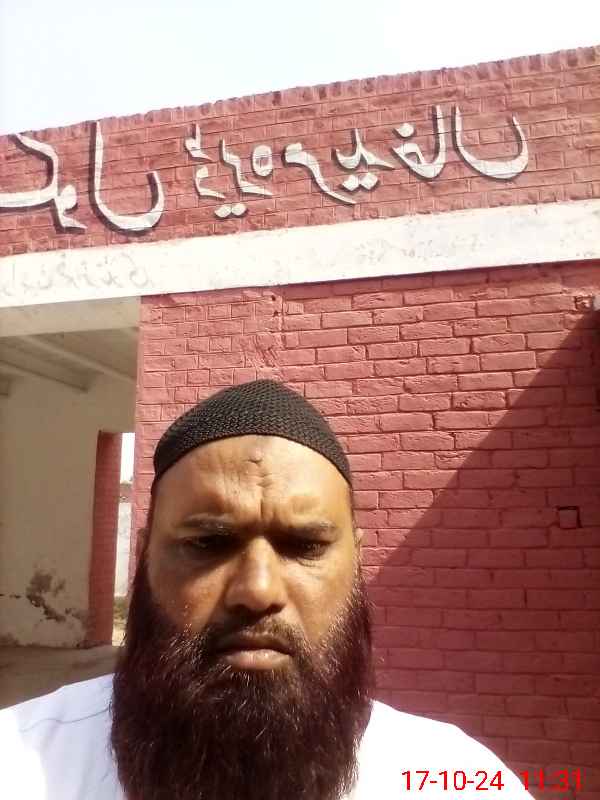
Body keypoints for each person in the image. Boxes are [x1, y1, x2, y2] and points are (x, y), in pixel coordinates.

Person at [1, 380, 534, 799]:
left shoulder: (453, 777)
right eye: (208, 542)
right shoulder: (18, 761)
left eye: (304, 545)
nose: (257, 591)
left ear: (356, 561)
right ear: (145, 556)